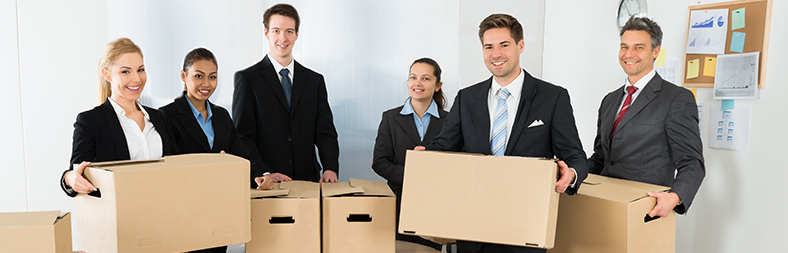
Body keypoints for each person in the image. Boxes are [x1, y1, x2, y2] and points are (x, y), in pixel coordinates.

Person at [417, 14, 588, 253]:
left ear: (520, 45)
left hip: (525, 230)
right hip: (473, 230)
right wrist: (425, 157)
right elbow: (443, 146)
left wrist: (572, 173)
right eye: (488, 47)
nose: (495, 54)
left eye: (504, 45)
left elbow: (575, 155)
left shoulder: (553, 97)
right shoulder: (467, 98)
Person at [588, 16, 705, 218]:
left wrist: (675, 196)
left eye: (638, 47)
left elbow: (692, 162)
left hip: (645, 210)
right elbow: (601, 158)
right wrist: (572, 171)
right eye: (624, 47)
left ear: (655, 52)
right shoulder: (610, 100)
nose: (629, 54)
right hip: (601, 206)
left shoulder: (676, 98)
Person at [233, 3, 339, 183]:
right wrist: (262, 173)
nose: (283, 38)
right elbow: (243, 136)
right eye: (276, 31)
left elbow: (325, 132)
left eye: (289, 31)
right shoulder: (248, 79)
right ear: (266, 33)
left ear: (297, 34)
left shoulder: (314, 81)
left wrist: (330, 168)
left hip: (308, 181)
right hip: (268, 182)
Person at [60, 38, 178, 197]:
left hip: (165, 210)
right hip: (122, 215)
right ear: (107, 74)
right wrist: (68, 178)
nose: (137, 79)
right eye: (125, 71)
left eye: (140, 69)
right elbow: (76, 172)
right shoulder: (91, 121)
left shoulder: (159, 118)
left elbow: (178, 166)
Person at [158, 47, 274, 195]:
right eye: (199, 76)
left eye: (212, 77)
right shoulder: (166, 115)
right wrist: (217, 166)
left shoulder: (222, 115)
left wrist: (259, 177)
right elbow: (170, 168)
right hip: (187, 199)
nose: (206, 84)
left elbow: (242, 158)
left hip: (223, 196)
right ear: (183, 76)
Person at [372, 57, 447, 250]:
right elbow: (379, 162)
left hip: (436, 204)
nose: (417, 83)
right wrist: (413, 174)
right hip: (399, 203)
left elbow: (458, 160)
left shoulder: (450, 120)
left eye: (425, 78)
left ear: (438, 85)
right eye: (413, 77)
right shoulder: (390, 118)